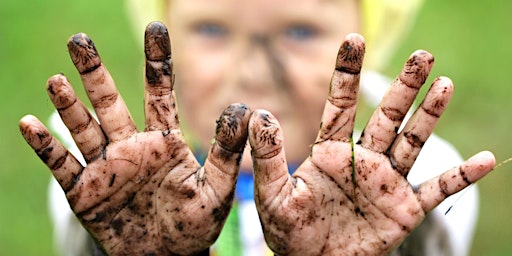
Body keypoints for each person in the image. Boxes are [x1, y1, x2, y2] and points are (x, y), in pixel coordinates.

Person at [19, 0, 496, 255]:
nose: (254, 68)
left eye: (300, 31)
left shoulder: (419, 174)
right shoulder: (107, 178)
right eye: (212, 29)